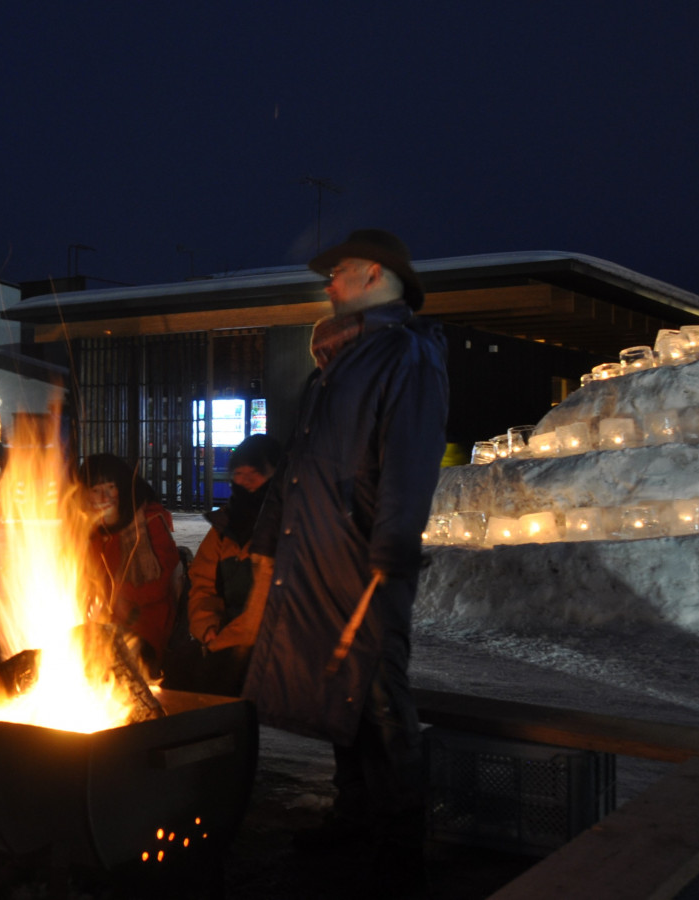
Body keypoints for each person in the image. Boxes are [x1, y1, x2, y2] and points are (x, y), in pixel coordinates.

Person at [240, 229, 448, 893]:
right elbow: (303, 461)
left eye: (339, 272)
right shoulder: (339, 360)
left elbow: (407, 461)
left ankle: (398, 848)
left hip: (361, 551)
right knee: (337, 687)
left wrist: (390, 545)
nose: (329, 284)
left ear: (376, 275)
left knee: (380, 691)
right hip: (320, 546)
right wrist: (272, 532)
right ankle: (352, 817)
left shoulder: (403, 353)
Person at [183, 433, 282, 696]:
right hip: (227, 637)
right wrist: (207, 629)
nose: (246, 481)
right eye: (239, 473)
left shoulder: (291, 528)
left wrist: (225, 642)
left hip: (273, 644)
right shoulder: (223, 528)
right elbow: (202, 584)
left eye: (256, 473)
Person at [79, 454, 181, 676]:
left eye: (111, 487)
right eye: (96, 490)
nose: (104, 496)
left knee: (113, 668)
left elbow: (158, 585)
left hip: (144, 622)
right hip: (98, 622)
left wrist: (114, 604)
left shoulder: (150, 522)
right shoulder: (87, 528)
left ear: (123, 489)